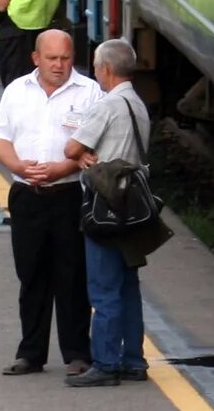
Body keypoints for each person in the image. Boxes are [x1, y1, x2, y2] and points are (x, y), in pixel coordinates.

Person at [0, 27, 98, 379]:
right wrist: (19, 167)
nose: (59, 65)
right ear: (36, 58)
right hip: (27, 196)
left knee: (72, 276)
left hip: (68, 194)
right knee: (31, 275)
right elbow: (0, 138)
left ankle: (77, 353)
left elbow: (91, 146)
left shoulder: (89, 93)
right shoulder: (17, 91)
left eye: (65, 58)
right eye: (52, 58)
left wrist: (60, 169)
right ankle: (30, 353)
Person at [65, 38, 154, 388]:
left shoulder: (108, 105)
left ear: (105, 69)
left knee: (104, 287)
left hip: (106, 207)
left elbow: (72, 147)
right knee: (128, 286)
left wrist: (80, 155)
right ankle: (133, 359)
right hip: (134, 205)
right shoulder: (137, 103)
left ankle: (104, 362)